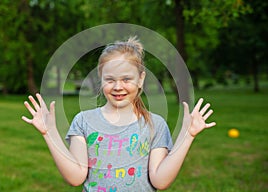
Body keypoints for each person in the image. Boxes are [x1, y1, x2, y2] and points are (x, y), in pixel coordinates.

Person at [22, 37, 216, 191]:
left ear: (141, 79)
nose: (118, 87)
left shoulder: (155, 125)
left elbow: (160, 181)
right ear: (101, 79)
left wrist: (187, 135)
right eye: (110, 79)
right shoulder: (83, 122)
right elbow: (76, 177)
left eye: (126, 79)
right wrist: (50, 132)